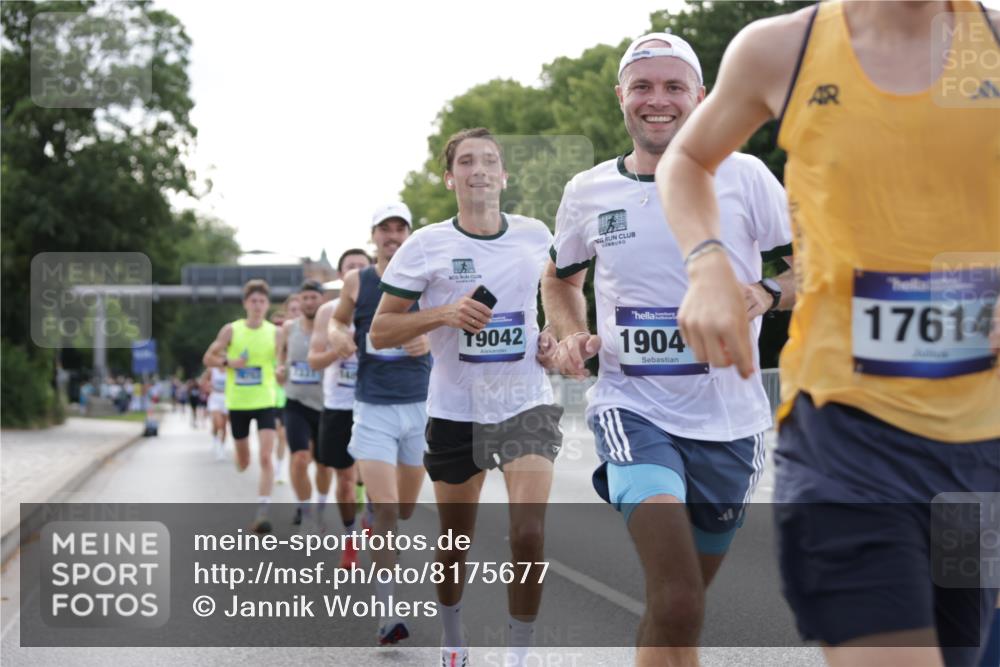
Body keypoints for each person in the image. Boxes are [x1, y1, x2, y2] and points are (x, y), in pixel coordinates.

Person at [654, 3, 999, 666]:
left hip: (979, 454)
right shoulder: (783, 49)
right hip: (846, 435)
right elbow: (688, 160)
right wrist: (708, 264)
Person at [544, 33, 793, 667]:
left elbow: (813, 265)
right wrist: (572, 333)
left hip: (732, 425)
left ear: (701, 96)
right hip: (634, 408)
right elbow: (560, 277)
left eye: (674, 86)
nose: (658, 100)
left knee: (677, 610)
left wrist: (766, 292)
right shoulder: (589, 191)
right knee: (679, 599)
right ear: (621, 96)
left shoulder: (745, 176)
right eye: (643, 86)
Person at [372, 127, 563, 667]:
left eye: (489, 161)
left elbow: (546, 300)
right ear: (450, 176)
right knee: (456, 542)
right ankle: (453, 636)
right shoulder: (426, 244)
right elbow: (382, 331)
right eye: (467, 161)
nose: (479, 169)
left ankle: (517, 657)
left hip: (526, 404)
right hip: (457, 412)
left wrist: (548, 339)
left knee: (528, 533)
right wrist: (444, 314)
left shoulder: (533, 234)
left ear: (503, 176)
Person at [327, 202, 432, 645]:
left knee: (405, 509)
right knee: (387, 508)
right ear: (373, 236)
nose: (392, 235)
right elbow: (337, 319)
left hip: (420, 407)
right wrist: (338, 336)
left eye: (399, 227)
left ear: (409, 233)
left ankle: (374, 518)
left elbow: (457, 327)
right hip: (372, 408)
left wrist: (427, 338)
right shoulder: (359, 281)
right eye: (384, 229)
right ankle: (388, 613)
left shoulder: (430, 275)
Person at [308, 248, 373, 568]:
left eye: (364, 267)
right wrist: (339, 350)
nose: (358, 273)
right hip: (338, 405)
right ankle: (350, 540)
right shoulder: (328, 312)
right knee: (346, 481)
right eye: (351, 268)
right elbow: (314, 360)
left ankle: (375, 524)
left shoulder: (388, 306)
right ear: (340, 276)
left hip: (376, 402)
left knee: (378, 481)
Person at [203, 279, 282, 534]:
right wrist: (230, 362)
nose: (258, 305)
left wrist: (282, 370)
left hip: (265, 401)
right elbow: (209, 357)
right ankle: (239, 456)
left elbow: (281, 362)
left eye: (262, 301)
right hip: (237, 402)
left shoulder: (276, 333)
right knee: (245, 461)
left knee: (266, 456)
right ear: (245, 304)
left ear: (268, 305)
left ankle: (263, 511)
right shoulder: (231, 330)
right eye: (253, 301)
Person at [276, 280, 327, 532]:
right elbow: (280, 357)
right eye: (304, 298)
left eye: (313, 298)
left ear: (322, 300)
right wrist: (279, 369)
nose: (308, 302)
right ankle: (306, 513)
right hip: (295, 402)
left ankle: (321, 507)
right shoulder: (288, 328)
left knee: (323, 465)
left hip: (326, 405)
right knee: (299, 458)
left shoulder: (332, 327)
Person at [273, 295, 301, 488]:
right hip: (279, 393)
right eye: (293, 310)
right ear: (287, 313)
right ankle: (280, 468)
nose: (297, 313)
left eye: (299, 310)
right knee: (282, 435)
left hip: (305, 395)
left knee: (302, 447)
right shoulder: (279, 334)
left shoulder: (316, 331)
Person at [204, 366, 228, 460]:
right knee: (218, 424)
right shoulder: (212, 370)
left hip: (226, 398)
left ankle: (222, 449)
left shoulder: (229, 369)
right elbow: (204, 381)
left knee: (224, 425)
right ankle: (215, 439)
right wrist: (209, 389)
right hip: (215, 398)